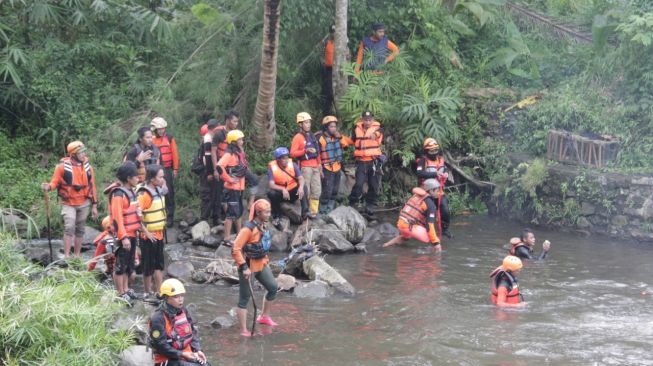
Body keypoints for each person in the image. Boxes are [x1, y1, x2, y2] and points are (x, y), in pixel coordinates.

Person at [41, 141, 98, 257]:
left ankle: (77, 256)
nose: (83, 154)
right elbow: (54, 182)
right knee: (69, 227)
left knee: (80, 229)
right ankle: (66, 256)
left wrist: (95, 205)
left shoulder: (88, 167)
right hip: (68, 203)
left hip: (84, 202)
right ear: (73, 154)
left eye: (84, 152)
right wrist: (49, 187)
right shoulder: (61, 167)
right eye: (80, 152)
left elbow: (92, 186)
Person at [232, 199, 278, 337]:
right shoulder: (248, 229)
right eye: (267, 212)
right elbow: (236, 248)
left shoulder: (264, 225)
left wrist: (266, 260)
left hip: (261, 264)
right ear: (258, 213)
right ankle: (243, 330)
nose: (269, 214)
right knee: (244, 299)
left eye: (269, 211)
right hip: (248, 267)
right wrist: (244, 267)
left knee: (273, 287)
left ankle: (264, 316)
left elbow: (263, 244)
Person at [150, 279, 209, 366]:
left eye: (182, 296)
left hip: (185, 354)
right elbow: (161, 346)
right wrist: (182, 354)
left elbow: (193, 333)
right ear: (166, 297)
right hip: (166, 359)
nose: (180, 299)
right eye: (176, 296)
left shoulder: (184, 311)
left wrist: (197, 350)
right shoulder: (157, 318)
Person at [106, 161, 142, 301]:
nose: (138, 178)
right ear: (128, 178)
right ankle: (120, 293)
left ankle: (126, 289)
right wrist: (123, 237)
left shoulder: (131, 192)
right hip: (124, 235)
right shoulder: (118, 194)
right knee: (120, 265)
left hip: (132, 233)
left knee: (128, 264)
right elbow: (117, 217)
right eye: (136, 176)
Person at [217, 130, 257, 246]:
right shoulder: (229, 154)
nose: (242, 141)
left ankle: (240, 234)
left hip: (239, 187)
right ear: (233, 141)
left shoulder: (239, 152)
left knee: (239, 212)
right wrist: (228, 179)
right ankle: (227, 238)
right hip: (232, 188)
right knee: (231, 213)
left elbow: (243, 167)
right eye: (240, 140)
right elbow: (219, 167)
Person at [382, 179, 442, 251]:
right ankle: (435, 254)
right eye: (437, 190)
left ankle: (386, 245)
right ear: (431, 191)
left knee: (405, 236)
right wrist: (436, 243)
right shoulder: (430, 204)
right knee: (430, 237)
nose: (439, 193)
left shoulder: (415, 196)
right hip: (408, 226)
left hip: (400, 223)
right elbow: (430, 225)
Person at [137, 165, 168, 300]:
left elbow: (165, 190)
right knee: (148, 265)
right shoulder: (144, 195)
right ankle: (146, 292)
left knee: (159, 264)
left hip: (159, 234)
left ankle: (160, 292)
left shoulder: (157, 189)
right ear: (152, 178)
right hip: (147, 236)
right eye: (160, 177)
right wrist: (146, 233)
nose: (162, 179)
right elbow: (135, 216)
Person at [349, 110, 384, 217]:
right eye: (365, 119)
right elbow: (351, 141)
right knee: (359, 184)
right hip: (361, 161)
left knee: (374, 185)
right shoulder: (356, 129)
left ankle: (369, 205)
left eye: (369, 120)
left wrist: (376, 134)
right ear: (362, 119)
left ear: (372, 120)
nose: (367, 122)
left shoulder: (378, 129)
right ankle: (352, 202)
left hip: (374, 161)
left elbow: (382, 131)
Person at [415, 138, 452, 238]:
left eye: (436, 150)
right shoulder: (423, 161)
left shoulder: (440, 159)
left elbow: (446, 169)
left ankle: (445, 229)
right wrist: (435, 173)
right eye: (432, 150)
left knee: (445, 209)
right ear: (427, 151)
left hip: (438, 191)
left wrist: (446, 174)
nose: (434, 152)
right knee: (428, 210)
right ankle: (422, 230)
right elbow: (419, 173)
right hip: (426, 192)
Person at [316, 115, 353, 214]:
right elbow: (317, 154)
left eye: (334, 126)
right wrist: (319, 167)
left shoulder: (338, 136)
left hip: (337, 166)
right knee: (327, 189)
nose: (333, 128)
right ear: (326, 127)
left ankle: (331, 207)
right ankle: (323, 209)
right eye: (331, 126)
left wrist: (340, 137)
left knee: (335, 189)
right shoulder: (320, 138)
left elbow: (347, 144)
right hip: (326, 167)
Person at [210, 110, 240, 224]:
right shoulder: (219, 134)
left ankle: (229, 217)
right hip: (221, 166)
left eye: (237, 121)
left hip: (232, 168)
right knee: (218, 192)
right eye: (234, 121)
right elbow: (213, 151)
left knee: (230, 192)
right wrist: (215, 169)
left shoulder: (236, 134)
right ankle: (216, 218)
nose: (236, 123)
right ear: (227, 120)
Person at [290, 112, 322, 218]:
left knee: (316, 189)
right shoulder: (298, 137)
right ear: (300, 124)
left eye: (309, 122)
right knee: (306, 189)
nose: (308, 124)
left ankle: (314, 212)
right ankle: (305, 210)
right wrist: (305, 150)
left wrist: (319, 165)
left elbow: (317, 152)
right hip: (305, 166)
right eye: (306, 123)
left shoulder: (312, 136)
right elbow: (292, 153)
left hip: (315, 166)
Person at [267, 147, 308, 226]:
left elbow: (301, 178)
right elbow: (271, 184)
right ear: (278, 160)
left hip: (292, 192)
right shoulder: (272, 168)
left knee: (304, 187)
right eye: (283, 158)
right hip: (282, 194)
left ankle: (305, 212)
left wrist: (300, 187)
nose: (286, 160)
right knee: (271, 194)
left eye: (287, 158)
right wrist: (282, 189)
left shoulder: (293, 165)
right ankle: (277, 215)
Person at [150, 117, 179, 227]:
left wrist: (175, 169)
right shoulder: (151, 140)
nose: (162, 131)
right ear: (154, 129)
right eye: (159, 129)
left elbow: (174, 154)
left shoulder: (169, 138)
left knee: (169, 193)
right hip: (154, 170)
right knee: (155, 193)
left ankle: (170, 217)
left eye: (163, 128)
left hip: (166, 170)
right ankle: (157, 216)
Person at [199, 119, 222, 225]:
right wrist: (210, 172)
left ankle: (211, 218)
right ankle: (207, 219)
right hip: (209, 172)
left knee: (213, 195)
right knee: (210, 195)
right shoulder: (208, 140)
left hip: (210, 171)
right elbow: (207, 158)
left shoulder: (209, 138)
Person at [87, 216, 116, 280]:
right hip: (114, 269)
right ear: (108, 228)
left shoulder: (122, 236)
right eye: (114, 224)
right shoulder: (104, 241)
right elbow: (95, 259)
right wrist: (88, 272)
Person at [322, 25, 335, 115]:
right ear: (330, 33)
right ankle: (326, 114)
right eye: (333, 32)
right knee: (329, 93)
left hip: (339, 70)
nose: (335, 34)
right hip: (329, 70)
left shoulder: (342, 44)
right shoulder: (326, 42)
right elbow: (321, 55)